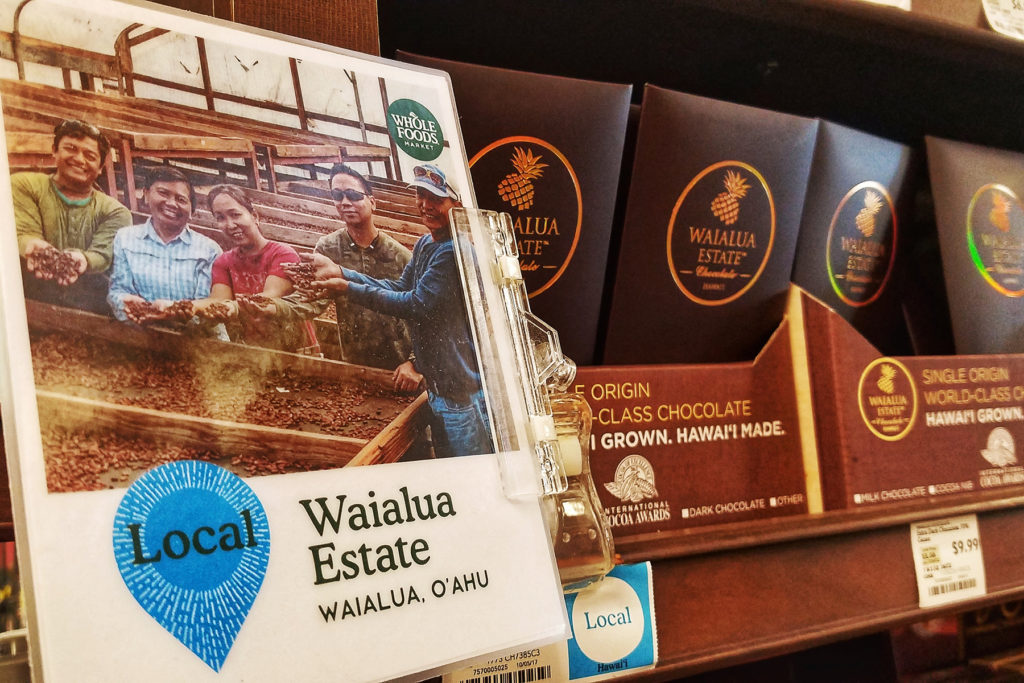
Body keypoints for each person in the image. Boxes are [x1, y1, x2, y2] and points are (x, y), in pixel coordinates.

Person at [305, 163, 492, 458]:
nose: (425, 205)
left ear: (456, 204)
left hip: (459, 389)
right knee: (448, 460)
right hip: (440, 384)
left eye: (436, 199)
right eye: (420, 195)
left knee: (471, 461)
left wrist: (347, 288)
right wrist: (343, 272)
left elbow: (415, 304)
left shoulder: (453, 251)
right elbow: (398, 286)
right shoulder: (426, 243)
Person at [268, 164, 414, 372]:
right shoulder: (328, 248)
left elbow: (424, 314)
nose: (345, 202)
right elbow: (313, 300)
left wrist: (414, 361)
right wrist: (275, 307)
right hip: (355, 361)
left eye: (353, 195)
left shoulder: (400, 256)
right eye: (337, 195)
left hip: (401, 365)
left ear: (372, 202)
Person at [12, 119, 132, 314]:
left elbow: (102, 254)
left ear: (101, 167)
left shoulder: (115, 212)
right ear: (55, 151)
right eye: (71, 148)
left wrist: (82, 259)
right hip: (28, 285)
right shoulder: (25, 184)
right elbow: (23, 231)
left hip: (85, 297)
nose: (79, 159)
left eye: (90, 156)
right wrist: (32, 246)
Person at [193, 183, 319, 353]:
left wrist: (234, 307)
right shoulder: (223, 262)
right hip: (257, 352)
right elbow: (219, 300)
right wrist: (182, 307)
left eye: (235, 214)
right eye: (220, 217)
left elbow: (269, 297)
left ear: (254, 216)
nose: (230, 224)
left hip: (299, 350)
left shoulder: (282, 254)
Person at [107, 167, 222, 326]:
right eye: (163, 193)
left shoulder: (209, 250)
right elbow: (118, 290)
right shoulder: (125, 238)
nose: (171, 203)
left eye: (181, 199)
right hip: (141, 332)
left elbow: (205, 307)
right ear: (146, 195)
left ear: (191, 211)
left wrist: (172, 311)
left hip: (193, 339)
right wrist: (125, 302)